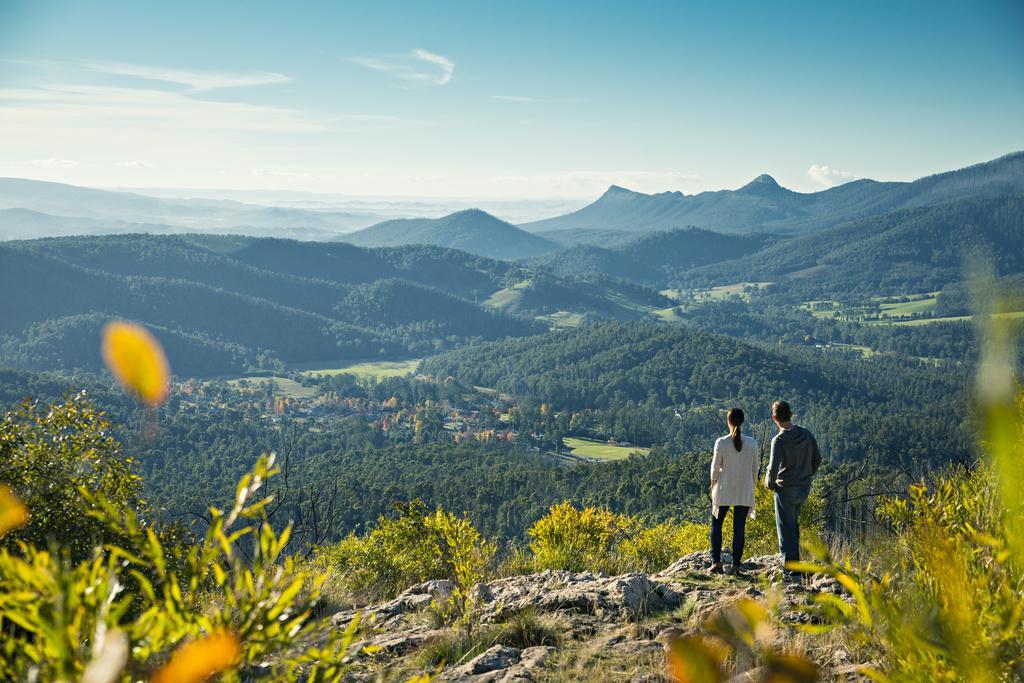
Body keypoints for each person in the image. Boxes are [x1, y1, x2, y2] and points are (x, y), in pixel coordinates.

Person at [764, 400, 821, 573]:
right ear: (791, 414)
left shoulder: (779, 440)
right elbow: (817, 459)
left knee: (785, 529)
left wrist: (769, 484)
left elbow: (773, 469)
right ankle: (795, 563)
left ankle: (790, 568)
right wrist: (806, 474)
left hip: (785, 489)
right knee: (793, 526)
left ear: (774, 417)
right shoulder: (806, 434)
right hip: (803, 488)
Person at [709, 408, 759, 575]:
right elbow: (755, 469)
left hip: (724, 488)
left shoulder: (721, 442)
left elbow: (715, 467)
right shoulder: (752, 443)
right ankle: (736, 565)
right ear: (742, 421)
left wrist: (713, 482)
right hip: (744, 489)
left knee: (717, 525)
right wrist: (752, 485)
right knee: (739, 528)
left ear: (728, 421)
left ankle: (716, 562)